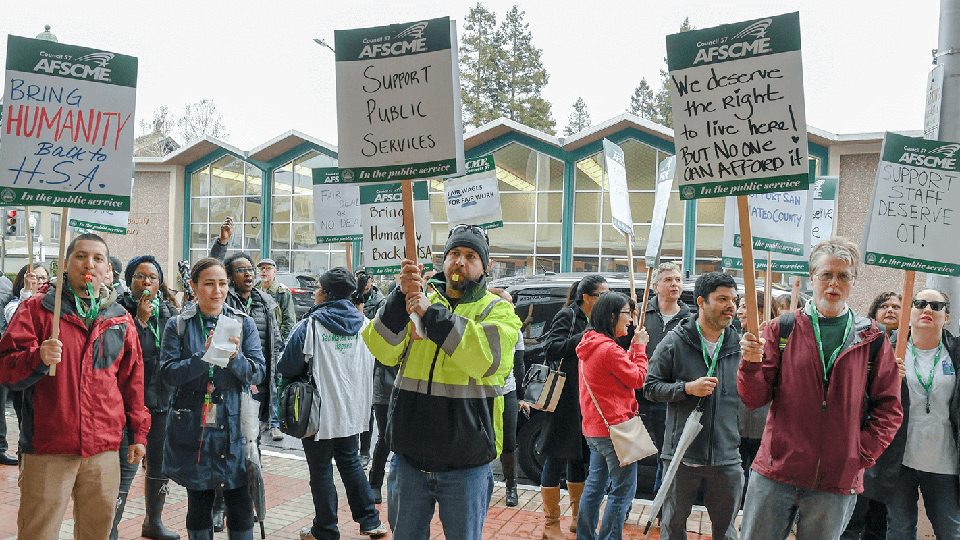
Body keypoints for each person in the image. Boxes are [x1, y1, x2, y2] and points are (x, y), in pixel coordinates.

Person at [362, 223, 521, 540]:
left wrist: (431, 314)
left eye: (472, 255)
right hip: (409, 461)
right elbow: (379, 346)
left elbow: (486, 360)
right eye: (455, 253)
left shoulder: (498, 310)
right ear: (443, 259)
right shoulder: (417, 300)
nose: (461, 261)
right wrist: (399, 297)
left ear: (486, 265)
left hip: (466, 465)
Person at [739, 236, 903, 540]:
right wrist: (749, 363)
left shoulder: (873, 338)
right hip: (776, 473)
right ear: (812, 277)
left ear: (854, 281)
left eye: (843, 276)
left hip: (836, 479)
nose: (833, 284)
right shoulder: (782, 328)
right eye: (826, 274)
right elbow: (754, 399)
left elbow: (890, 408)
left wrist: (859, 454)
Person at [0, 233, 150, 540]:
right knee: (37, 533)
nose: (89, 265)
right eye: (81, 256)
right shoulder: (37, 310)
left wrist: (138, 434)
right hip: (47, 448)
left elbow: (132, 382)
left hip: (104, 450)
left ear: (108, 269)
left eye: (98, 258)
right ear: (66, 264)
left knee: (98, 533)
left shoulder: (120, 318)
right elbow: (6, 367)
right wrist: (36, 358)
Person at [278, 268, 388, 540]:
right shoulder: (364, 324)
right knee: (350, 463)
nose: (315, 292)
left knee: (321, 470)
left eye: (318, 288)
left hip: (317, 414)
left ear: (325, 293)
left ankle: (325, 528)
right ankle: (370, 521)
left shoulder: (311, 324)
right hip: (352, 411)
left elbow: (286, 365)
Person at [160, 257, 265, 540]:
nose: (217, 290)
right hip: (194, 425)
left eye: (222, 283)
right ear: (194, 287)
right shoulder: (177, 326)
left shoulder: (243, 323)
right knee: (199, 501)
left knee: (241, 500)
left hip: (235, 424)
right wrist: (201, 358)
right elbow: (168, 374)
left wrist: (234, 359)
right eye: (209, 284)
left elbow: (258, 374)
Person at [644, 272, 743, 540]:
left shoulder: (741, 345)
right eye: (722, 299)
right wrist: (686, 388)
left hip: (727, 456)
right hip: (681, 454)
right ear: (701, 301)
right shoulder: (676, 341)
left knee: (726, 531)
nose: (731, 306)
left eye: (734, 299)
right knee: (673, 527)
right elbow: (650, 387)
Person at [873, 289, 960, 540]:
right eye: (920, 303)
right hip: (899, 459)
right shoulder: (889, 350)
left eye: (936, 305)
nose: (927, 309)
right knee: (899, 529)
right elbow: (869, 398)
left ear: (947, 317)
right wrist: (887, 379)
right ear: (909, 313)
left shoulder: (955, 352)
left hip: (945, 460)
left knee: (951, 530)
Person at [114, 255, 181, 540]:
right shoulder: (117, 311)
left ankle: (153, 521)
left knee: (159, 465)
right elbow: (122, 355)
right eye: (140, 276)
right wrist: (140, 321)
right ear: (130, 282)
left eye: (153, 277)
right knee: (123, 468)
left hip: (162, 403)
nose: (147, 282)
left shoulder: (170, 314)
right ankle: (110, 526)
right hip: (126, 405)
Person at [540, 274, 609, 539]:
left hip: (586, 398)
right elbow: (552, 349)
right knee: (555, 457)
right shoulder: (568, 316)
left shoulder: (600, 321)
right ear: (587, 298)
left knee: (578, 457)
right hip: (563, 399)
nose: (606, 300)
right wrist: (586, 335)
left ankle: (577, 519)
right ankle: (550, 524)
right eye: (602, 295)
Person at [576, 292, 650, 540]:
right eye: (627, 314)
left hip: (595, 428)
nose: (630, 320)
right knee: (622, 491)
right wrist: (639, 347)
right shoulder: (608, 349)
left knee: (595, 486)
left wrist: (630, 349)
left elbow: (615, 374)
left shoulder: (591, 342)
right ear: (611, 316)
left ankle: (586, 536)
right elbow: (638, 378)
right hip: (615, 431)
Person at [841, 291, 904, 540]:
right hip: (859, 440)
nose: (890, 310)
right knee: (852, 517)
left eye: (897, 306)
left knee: (879, 520)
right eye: (884, 306)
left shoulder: (911, 346)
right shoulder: (864, 341)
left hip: (890, 447)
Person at [641, 262, 691, 494]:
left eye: (678, 280)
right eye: (669, 280)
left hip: (668, 395)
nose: (675, 284)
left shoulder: (689, 320)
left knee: (667, 453)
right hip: (637, 395)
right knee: (630, 450)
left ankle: (660, 509)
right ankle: (623, 507)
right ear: (655, 286)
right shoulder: (640, 314)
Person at [0, 262, 47, 467]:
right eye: (35, 278)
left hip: (46, 373)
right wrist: (27, 292)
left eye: (44, 278)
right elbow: (19, 317)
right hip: (24, 371)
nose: (40, 282)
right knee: (25, 420)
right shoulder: (14, 303)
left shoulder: (53, 305)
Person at [489, 286, 527, 508]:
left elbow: (519, 364)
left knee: (509, 442)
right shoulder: (482, 326)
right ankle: (483, 484)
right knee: (483, 439)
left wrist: (521, 396)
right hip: (483, 392)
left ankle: (511, 487)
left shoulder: (516, 331)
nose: (513, 307)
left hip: (508, 391)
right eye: (508, 302)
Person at [257, 257, 296, 338]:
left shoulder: (282, 292)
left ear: (275, 272)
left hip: (274, 339)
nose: (264, 271)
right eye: (262, 268)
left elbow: (289, 321)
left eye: (268, 269)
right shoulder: (254, 290)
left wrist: (281, 341)